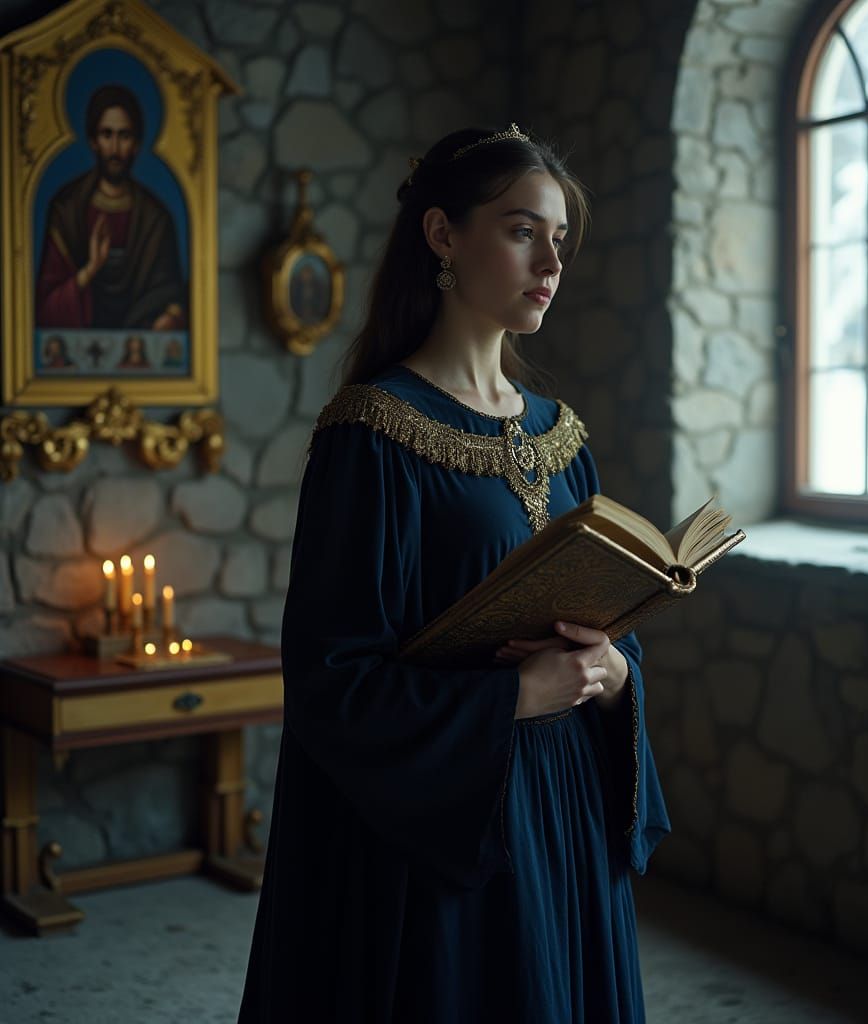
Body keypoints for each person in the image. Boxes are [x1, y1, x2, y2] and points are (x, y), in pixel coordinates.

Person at [239, 124, 670, 1024]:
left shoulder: (561, 433)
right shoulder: (372, 434)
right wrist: (514, 696)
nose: (550, 262)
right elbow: (330, 682)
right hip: (447, 829)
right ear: (442, 234)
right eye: (521, 231)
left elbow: (600, 623)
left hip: (564, 807)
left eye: (559, 238)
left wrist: (611, 673)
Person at [35, 84, 186, 331]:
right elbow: (46, 309)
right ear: (93, 141)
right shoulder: (66, 210)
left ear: (136, 144)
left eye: (124, 136)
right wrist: (90, 269)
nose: (115, 149)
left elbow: (171, 294)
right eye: (107, 135)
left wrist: (171, 316)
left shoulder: (156, 218)